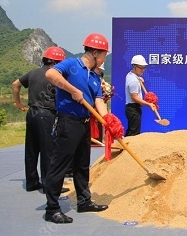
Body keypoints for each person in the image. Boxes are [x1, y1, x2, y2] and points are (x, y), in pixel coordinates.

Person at [43, 33, 115, 224]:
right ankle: (52, 209)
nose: (104, 58)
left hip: (84, 124)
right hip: (68, 122)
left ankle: (84, 201)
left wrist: (107, 119)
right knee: (59, 165)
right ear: (94, 52)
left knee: (82, 165)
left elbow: (98, 99)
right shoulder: (71, 65)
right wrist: (72, 90)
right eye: (103, 55)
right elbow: (50, 74)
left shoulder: (94, 76)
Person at [11, 46, 66, 193]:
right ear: (56, 62)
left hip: (32, 113)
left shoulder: (33, 73)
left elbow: (15, 84)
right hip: (46, 115)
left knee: (32, 149)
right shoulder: (54, 76)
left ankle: (32, 182)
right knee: (48, 150)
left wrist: (18, 103)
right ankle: (50, 185)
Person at [125, 55, 157, 136]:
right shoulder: (133, 81)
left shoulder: (131, 75)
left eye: (144, 67)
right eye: (140, 67)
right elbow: (134, 97)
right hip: (133, 108)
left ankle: (124, 147)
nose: (143, 70)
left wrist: (138, 79)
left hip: (132, 108)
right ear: (134, 66)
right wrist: (148, 104)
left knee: (131, 130)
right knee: (134, 133)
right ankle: (128, 148)